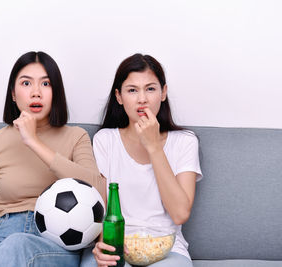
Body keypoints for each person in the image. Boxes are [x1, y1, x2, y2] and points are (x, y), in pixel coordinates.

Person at [0, 51, 106, 267]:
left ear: (56, 93)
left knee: (19, 245)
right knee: (10, 247)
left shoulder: (76, 137)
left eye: (46, 84)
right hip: (3, 237)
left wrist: (33, 141)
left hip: (58, 241)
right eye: (26, 83)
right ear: (13, 94)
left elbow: (97, 189)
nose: (36, 93)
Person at [80, 54, 202, 267]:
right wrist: (103, 246)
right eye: (132, 90)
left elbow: (180, 214)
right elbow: (101, 211)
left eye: (151, 89)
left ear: (163, 93)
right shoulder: (105, 141)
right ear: (119, 97)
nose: (142, 99)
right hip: (115, 245)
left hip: (167, 249)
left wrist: (154, 147)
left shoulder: (184, 142)